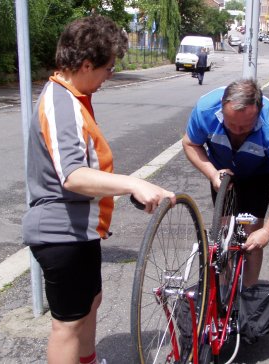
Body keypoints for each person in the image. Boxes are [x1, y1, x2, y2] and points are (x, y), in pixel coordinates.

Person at [22, 15, 175, 364]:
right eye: (107, 69)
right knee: (68, 325)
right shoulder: (60, 103)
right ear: (86, 64)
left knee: (91, 302)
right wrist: (133, 184)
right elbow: (74, 175)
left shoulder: (71, 98)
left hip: (78, 231)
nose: (109, 77)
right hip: (60, 233)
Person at [182, 79, 269, 287]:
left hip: (259, 174)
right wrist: (212, 174)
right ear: (221, 107)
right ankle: (223, 292)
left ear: (259, 111)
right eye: (231, 124)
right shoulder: (205, 109)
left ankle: (248, 293)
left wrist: (266, 233)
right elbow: (190, 143)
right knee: (224, 231)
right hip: (222, 173)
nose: (237, 131)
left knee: (253, 236)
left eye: (245, 126)